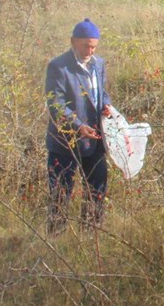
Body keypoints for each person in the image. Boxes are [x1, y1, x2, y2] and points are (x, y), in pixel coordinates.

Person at [45, 18, 113, 233]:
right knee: (60, 192)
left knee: (97, 187)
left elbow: (100, 93)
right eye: (85, 45)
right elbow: (55, 103)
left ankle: (90, 233)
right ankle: (56, 237)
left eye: (93, 46)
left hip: (94, 140)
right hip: (65, 141)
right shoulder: (59, 66)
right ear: (73, 41)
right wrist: (78, 126)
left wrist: (107, 105)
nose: (89, 50)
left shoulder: (98, 64)